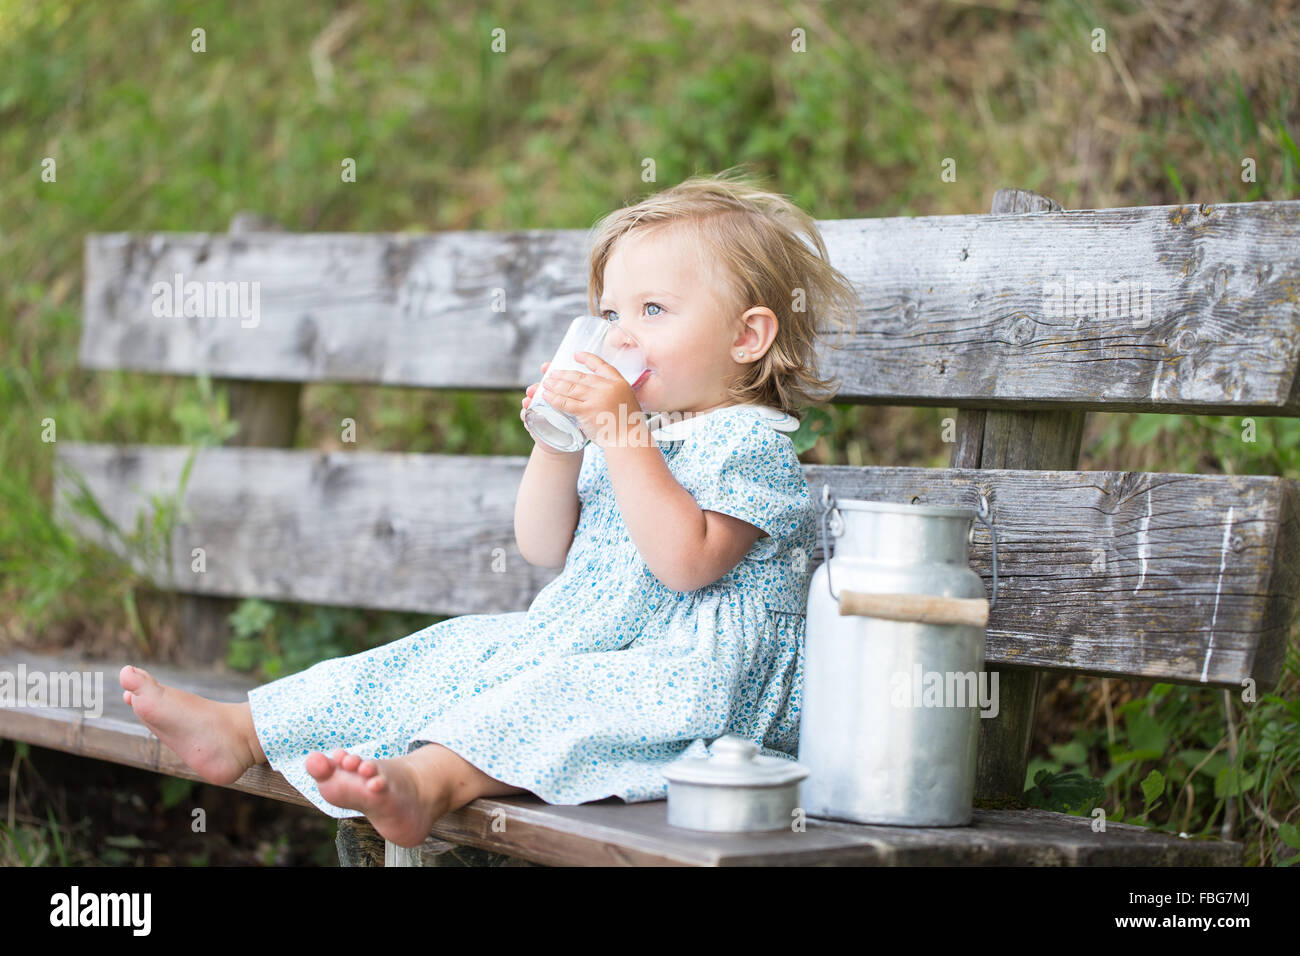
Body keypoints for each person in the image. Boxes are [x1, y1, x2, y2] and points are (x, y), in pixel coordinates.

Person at [118, 165, 860, 849]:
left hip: (699, 691)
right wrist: (561, 439)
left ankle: (425, 785)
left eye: (653, 309)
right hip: (585, 643)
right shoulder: (629, 434)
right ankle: (244, 729)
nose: (619, 335)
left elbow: (687, 565)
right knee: (453, 648)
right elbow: (542, 544)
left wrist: (620, 432)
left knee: (560, 692)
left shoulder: (749, 445)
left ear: (747, 335)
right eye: (609, 312)